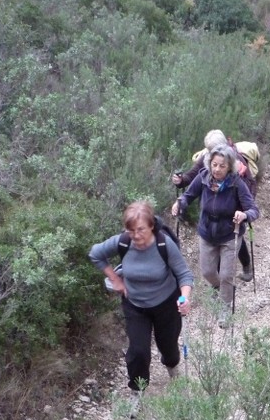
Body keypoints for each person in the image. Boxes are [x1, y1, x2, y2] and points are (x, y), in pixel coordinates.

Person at [89, 200, 193, 392]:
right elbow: (96, 254)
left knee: (169, 347)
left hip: (166, 303)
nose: (136, 236)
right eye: (131, 230)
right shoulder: (123, 241)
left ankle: (171, 366)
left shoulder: (164, 244)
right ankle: (137, 390)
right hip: (135, 305)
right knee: (138, 351)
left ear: (152, 226)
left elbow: (184, 275)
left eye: (141, 230)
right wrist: (116, 280)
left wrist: (185, 297)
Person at [171, 144, 259, 327]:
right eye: (215, 164)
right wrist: (180, 203)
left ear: (229, 167)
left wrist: (244, 215)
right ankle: (222, 289)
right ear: (210, 163)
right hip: (207, 233)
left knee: (227, 274)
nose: (217, 169)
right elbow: (188, 196)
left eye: (222, 166)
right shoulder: (203, 178)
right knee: (208, 272)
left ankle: (225, 309)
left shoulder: (237, 184)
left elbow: (253, 209)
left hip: (229, 234)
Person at [172, 129, 258, 282]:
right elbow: (193, 176)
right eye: (209, 151)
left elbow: (249, 183)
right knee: (217, 238)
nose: (216, 167)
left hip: (237, 203)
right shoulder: (209, 157)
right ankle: (219, 282)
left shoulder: (235, 159)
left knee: (236, 238)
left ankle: (244, 267)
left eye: (212, 149)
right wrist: (181, 181)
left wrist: (245, 210)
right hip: (213, 205)